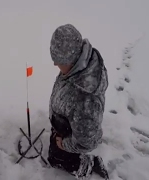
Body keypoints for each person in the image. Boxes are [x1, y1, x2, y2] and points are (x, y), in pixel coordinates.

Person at [47, 24, 110, 180]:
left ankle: (86, 165)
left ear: (72, 58)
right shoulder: (74, 68)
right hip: (66, 127)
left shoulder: (86, 100)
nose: (55, 65)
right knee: (53, 151)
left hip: (73, 138)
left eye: (59, 61)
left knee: (56, 160)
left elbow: (86, 142)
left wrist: (64, 144)